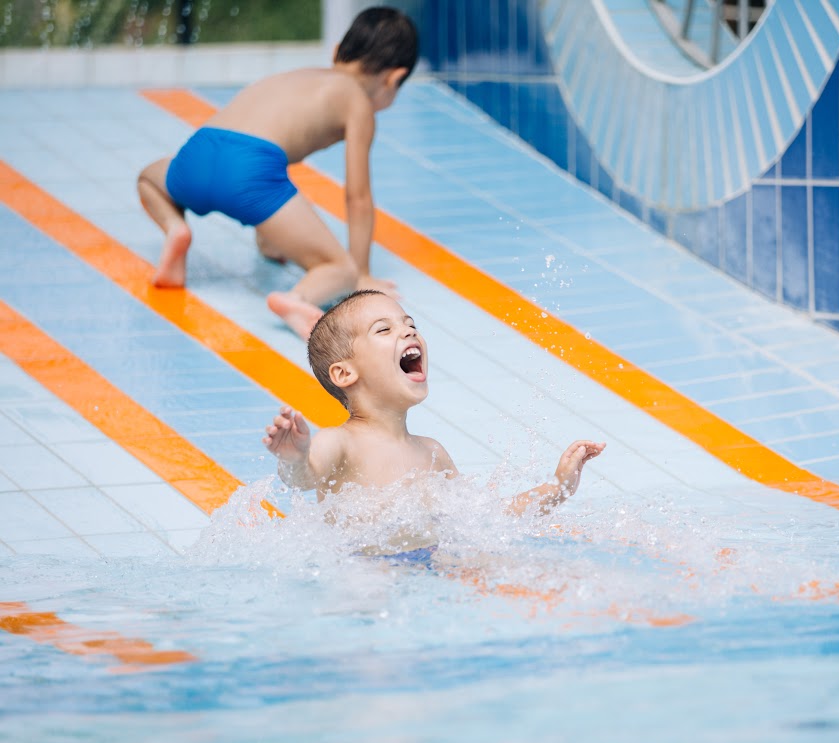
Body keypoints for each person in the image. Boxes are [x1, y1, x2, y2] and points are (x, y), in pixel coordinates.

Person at [136, 7, 415, 340]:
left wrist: (269, 234)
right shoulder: (358, 103)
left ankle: (175, 228)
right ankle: (295, 300)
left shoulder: (300, 76)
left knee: (148, 179)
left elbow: (267, 141)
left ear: (337, 51)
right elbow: (357, 197)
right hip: (247, 171)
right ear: (393, 79)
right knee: (339, 269)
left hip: (198, 150)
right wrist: (361, 273)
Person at [261, 290, 606, 559]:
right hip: (363, 568)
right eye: (384, 329)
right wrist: (293, 457)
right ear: (345, 373)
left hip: (432, 563)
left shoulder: (431, 452)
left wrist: (558, 488)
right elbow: (303, 479)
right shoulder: (340, 443)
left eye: (410, 325)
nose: (408, 332)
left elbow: (484, 522)